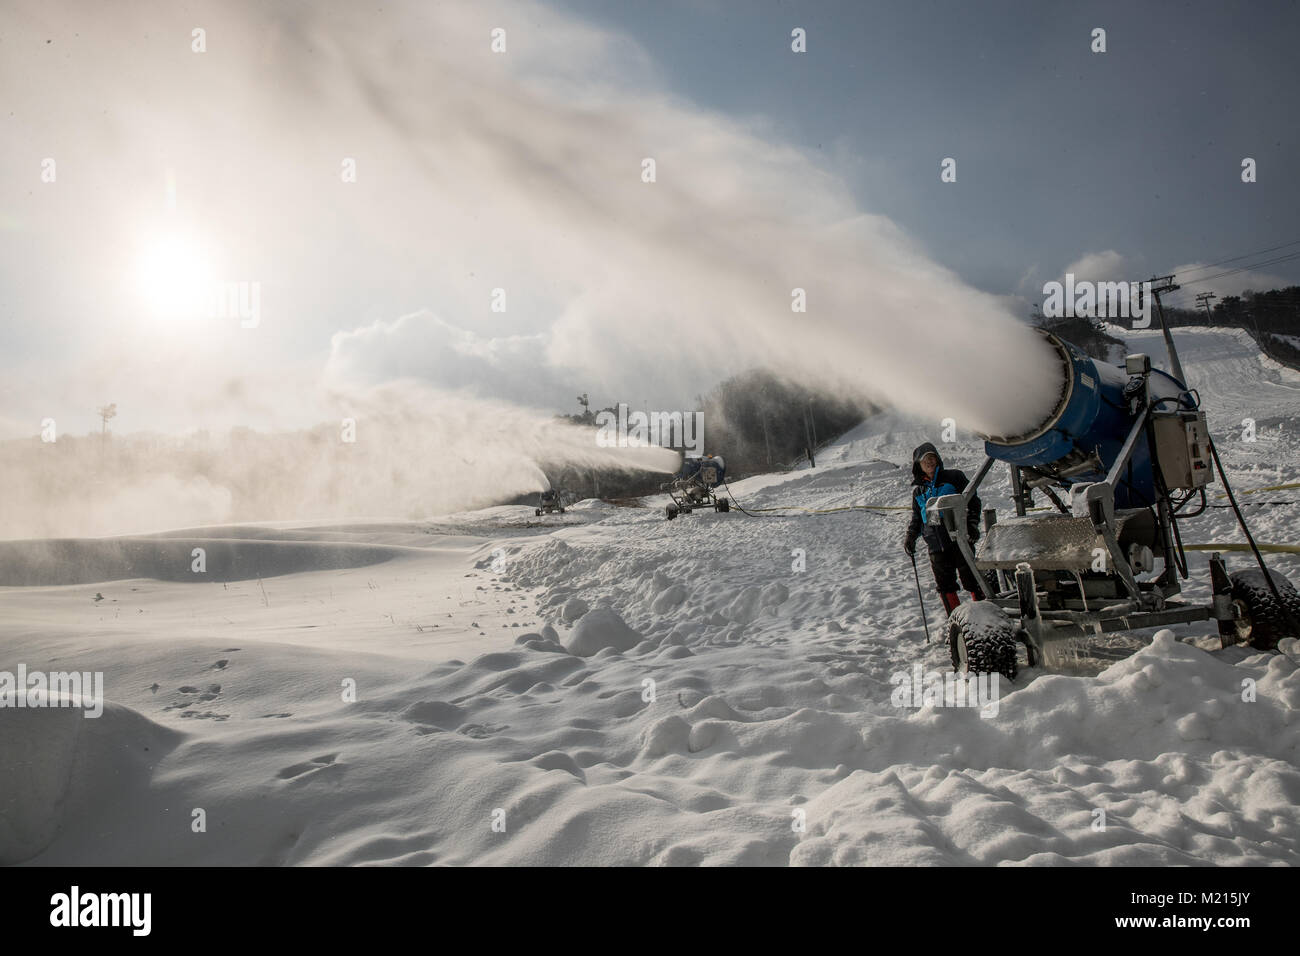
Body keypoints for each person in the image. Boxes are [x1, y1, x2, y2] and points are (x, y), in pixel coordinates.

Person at [904, 442, 985, 615]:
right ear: (918, 465)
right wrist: (911, 537)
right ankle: (954, 621)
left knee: (972, 579)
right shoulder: (919, 491)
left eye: (932, 457)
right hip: (935, 545)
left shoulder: (954, 477)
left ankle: (985, 616)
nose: (930, 462)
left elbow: (973, 502)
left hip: (958, 539)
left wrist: (971, 524)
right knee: (945, 585)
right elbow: (917, 518)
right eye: (925, 459)